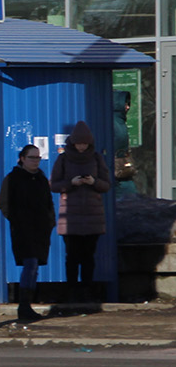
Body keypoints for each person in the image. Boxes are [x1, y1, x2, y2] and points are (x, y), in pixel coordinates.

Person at [49, 120, 112, 305]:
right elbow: (53, 184)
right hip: (70, 215)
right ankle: (71, 291)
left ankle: (87, 291)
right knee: (72, 256)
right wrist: (71, 183)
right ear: (72, 143)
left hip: (93, 215)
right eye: (78, 143)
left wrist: (93, 182)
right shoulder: (63, 159)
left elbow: (106, 185)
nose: (82, 147)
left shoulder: (97, 158)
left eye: (85, 143)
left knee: (88, 256)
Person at [0, 144, 55, 323]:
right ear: (22, 158)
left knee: (34, 266)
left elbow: (48, 202)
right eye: (32, 158)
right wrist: (17, 221)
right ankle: (24, 305)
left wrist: (49, 222)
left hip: (40, 230)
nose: (35, 161)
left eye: (38, 158)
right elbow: (4, 204)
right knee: (30, 264)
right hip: (23, 229)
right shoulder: (13, 178)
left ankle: (27, 305)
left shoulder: (40, 178)